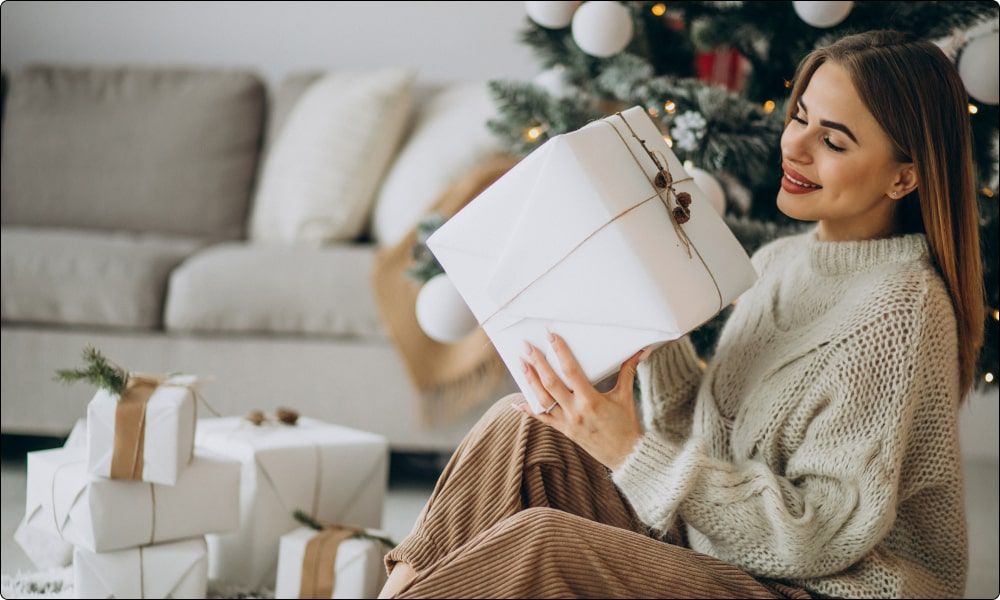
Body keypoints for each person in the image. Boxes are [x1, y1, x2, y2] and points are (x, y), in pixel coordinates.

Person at [378, 29, 984, 599]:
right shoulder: (780, 262)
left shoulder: (902, 308)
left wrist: (629, 451)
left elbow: (817, 536)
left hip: (813, 586)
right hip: (727, 553)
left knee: (542, 545)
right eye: (799, 116)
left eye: (833, 140)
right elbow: (710, 437)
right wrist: (656, 328)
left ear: (904, 176)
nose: (794, 146)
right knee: (524, 423)